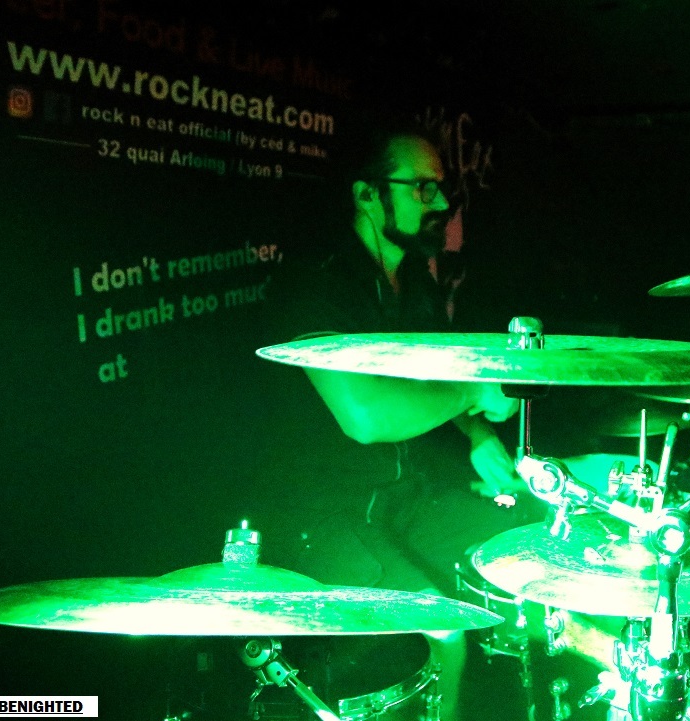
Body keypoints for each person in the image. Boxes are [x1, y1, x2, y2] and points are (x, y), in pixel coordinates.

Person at [253, 116, 545, 721]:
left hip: (405, 497)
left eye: (440, 188)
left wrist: (478, 434)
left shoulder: (411, 278)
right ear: (367, 193)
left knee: (540, 555)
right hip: (320, 513)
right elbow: (364, 417)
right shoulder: (315, 284)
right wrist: (474, 392)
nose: (439, 203)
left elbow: (435, 377)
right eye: (422, 187)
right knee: (442, 631)